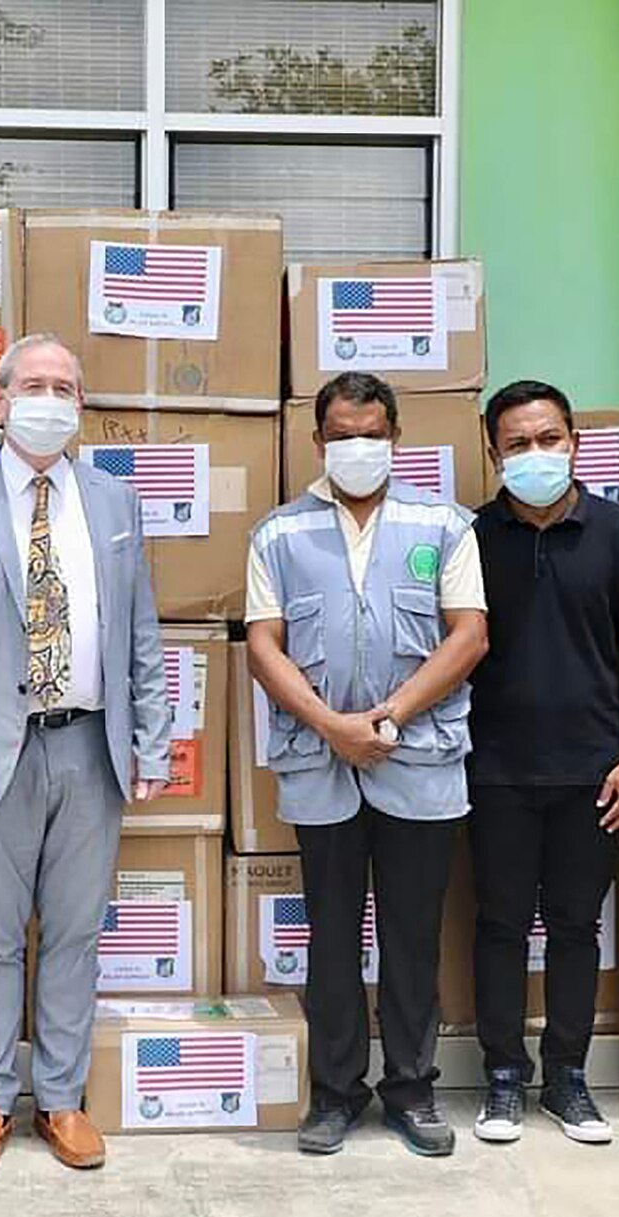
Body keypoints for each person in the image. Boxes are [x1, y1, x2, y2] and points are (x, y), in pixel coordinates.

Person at [0, 333, 171, 1179]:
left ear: (81, 407)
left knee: (77, 933)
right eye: (35, 385)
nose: (51, 400)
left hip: (89, 744)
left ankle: (60, 1098)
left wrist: (150, 738)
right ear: (0, 400)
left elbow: (140, 634)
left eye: (67, 387)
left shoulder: (115, 502)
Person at [245, 372, 487, 1158]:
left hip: (417, 760)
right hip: (321, 765)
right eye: (342, 435)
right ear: (317, 442)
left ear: (396, 436)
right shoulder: (279, 533)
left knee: (413, 936)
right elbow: (263, 644)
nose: (358, 447)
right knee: (333, 938)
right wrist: (332, 726)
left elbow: (469, 636)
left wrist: (389, 716)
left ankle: (413, 1089)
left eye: (372, 433)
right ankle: (336, 1093)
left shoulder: (444, 524)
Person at [465, 380, 619, 1147]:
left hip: (595, 771)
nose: (536, 454)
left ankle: (568, 1077)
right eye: (518, 444)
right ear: (493, 452)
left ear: (575, 440)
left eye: (549, 439)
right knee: (499, 925)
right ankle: (504, 1077)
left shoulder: (618, 533)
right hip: (494, 768)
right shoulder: (472, 536)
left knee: (578, 927)